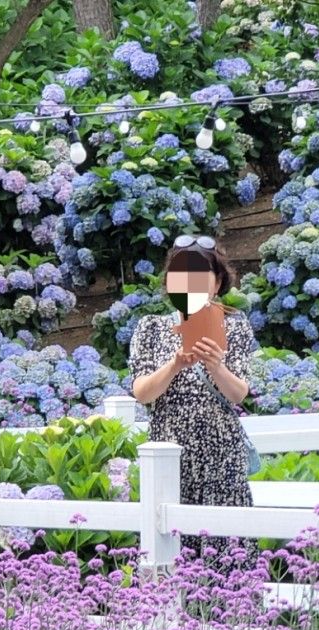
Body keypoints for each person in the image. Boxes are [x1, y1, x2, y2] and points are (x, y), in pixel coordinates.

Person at [128, 234, 257, 560]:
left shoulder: (235, 325)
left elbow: (239, 393)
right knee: (170, 550)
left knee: (227, 554)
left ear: (217, 284)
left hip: (221, 460)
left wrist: (215, 366)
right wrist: (174, 365)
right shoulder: (151, 327)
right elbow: (142, 393)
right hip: (170, 456)